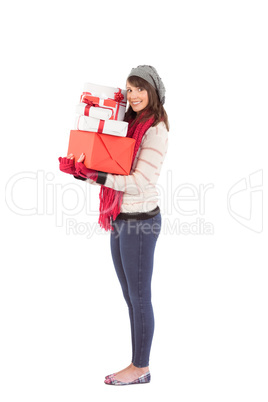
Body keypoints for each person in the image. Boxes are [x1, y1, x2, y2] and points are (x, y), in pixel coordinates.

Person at [58, 65, 169, 386]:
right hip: (120, 215)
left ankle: (140, 367)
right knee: (129, 295)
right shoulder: (128, 123)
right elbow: (112, 165)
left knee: (139, 297)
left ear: (154, 92)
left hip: (140, 221)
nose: (134, 95)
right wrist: (84, 171)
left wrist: (98, 176)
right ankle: (139, 362)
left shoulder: (155, 129)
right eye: (130, 89)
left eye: (140, 89)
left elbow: (140, 180)